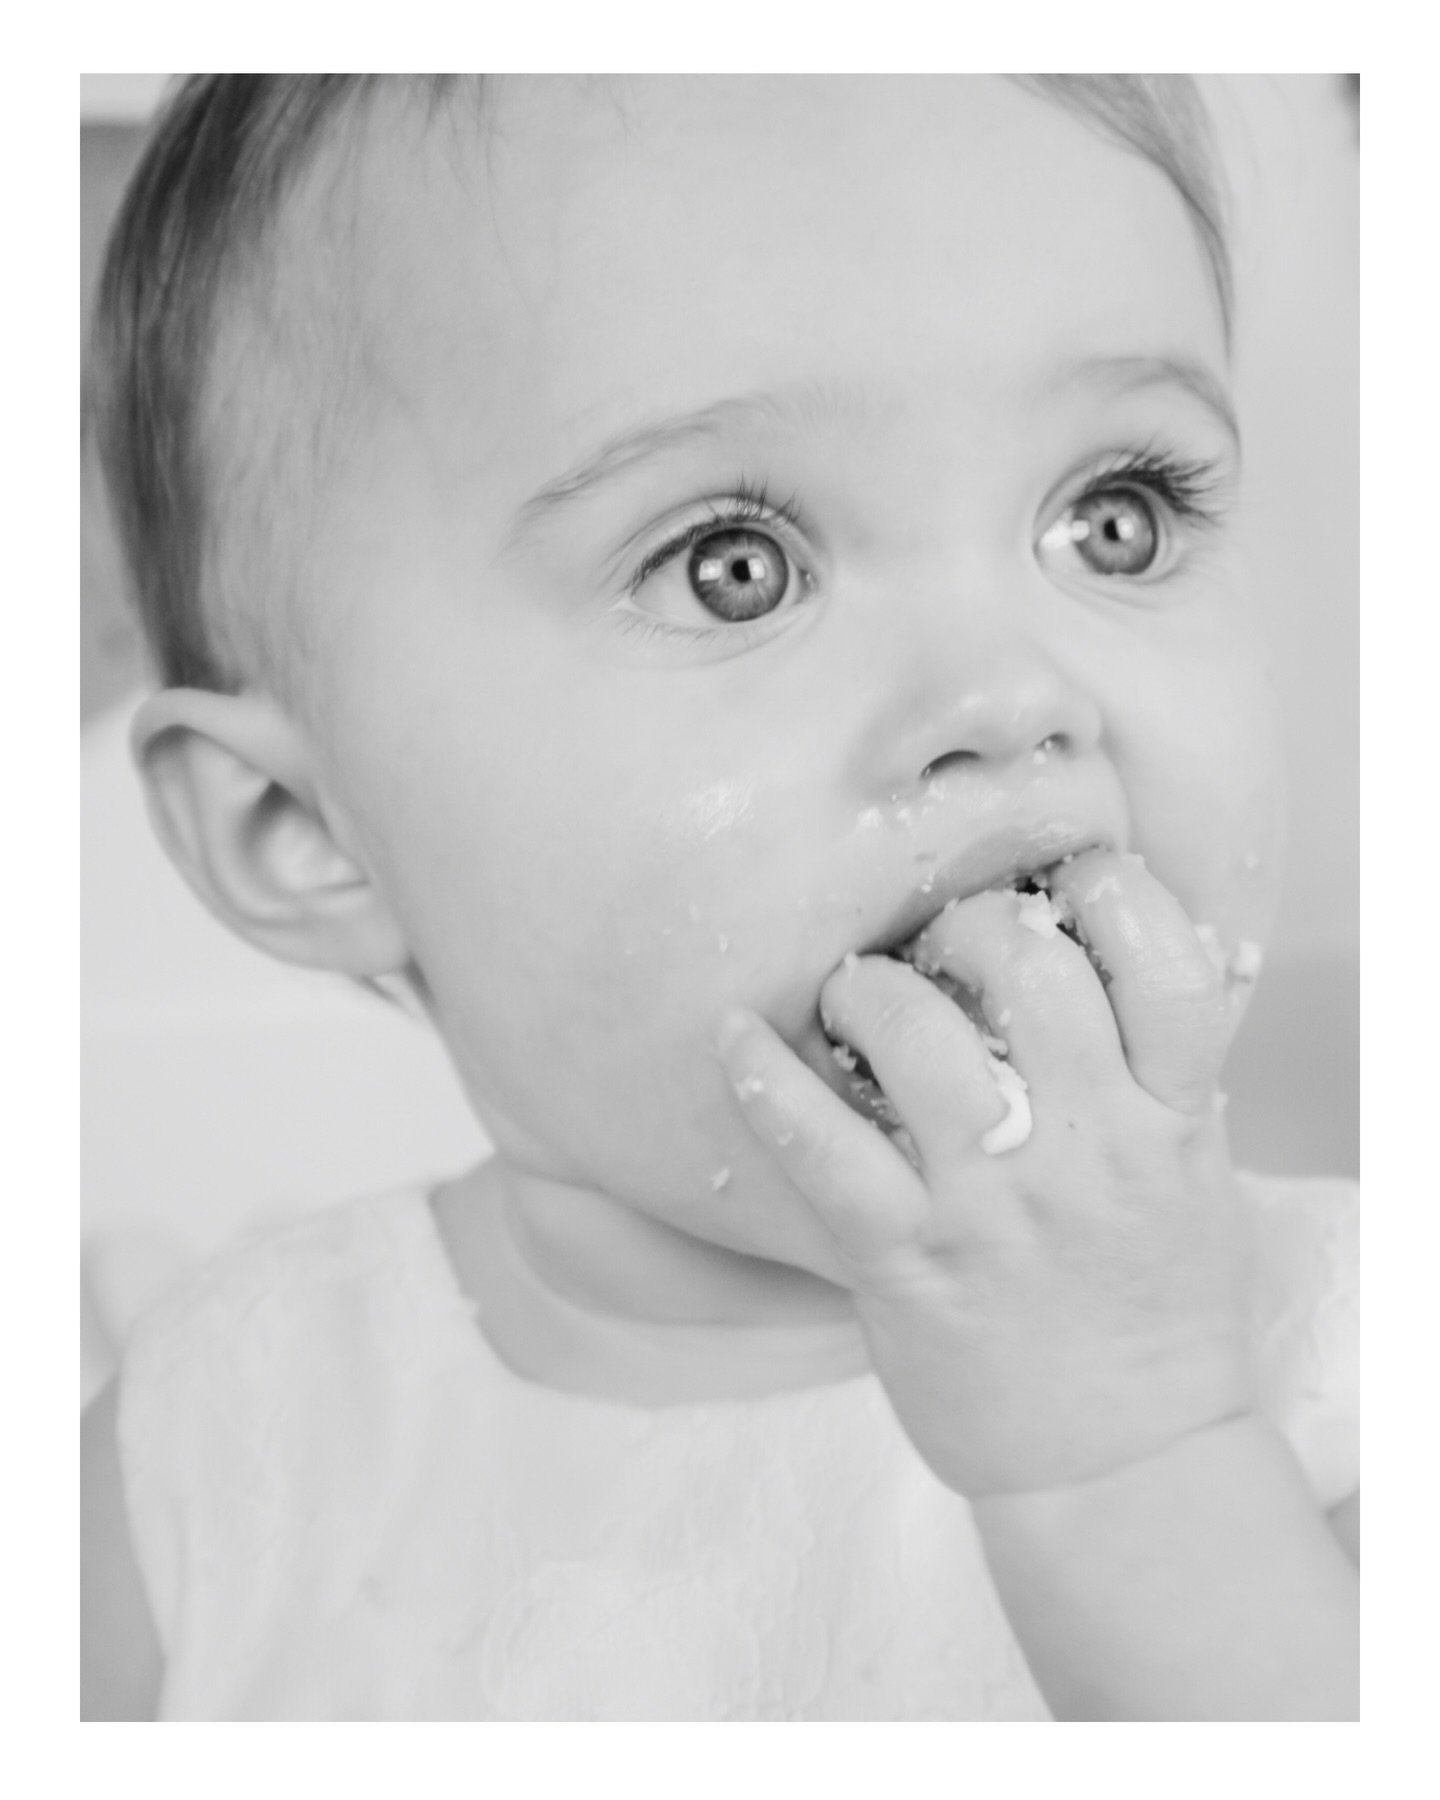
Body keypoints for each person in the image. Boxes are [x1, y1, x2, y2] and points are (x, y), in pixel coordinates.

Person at [80, 74, 1359, 1720]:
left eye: (1114, 520)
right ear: (300, 828)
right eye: (734, 564)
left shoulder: (1346, 1375)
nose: (1010, 692)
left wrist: (1135, 1453)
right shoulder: (213, 1446)